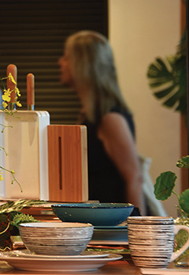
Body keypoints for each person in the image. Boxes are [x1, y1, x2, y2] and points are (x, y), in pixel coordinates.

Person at [58, 30, 146, 214]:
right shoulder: (89, 115)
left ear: (83, 65)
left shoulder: (109, 118)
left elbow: (135, 178)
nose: (60, 62)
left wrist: (136, 226)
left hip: (113, 224)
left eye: (67, 58)